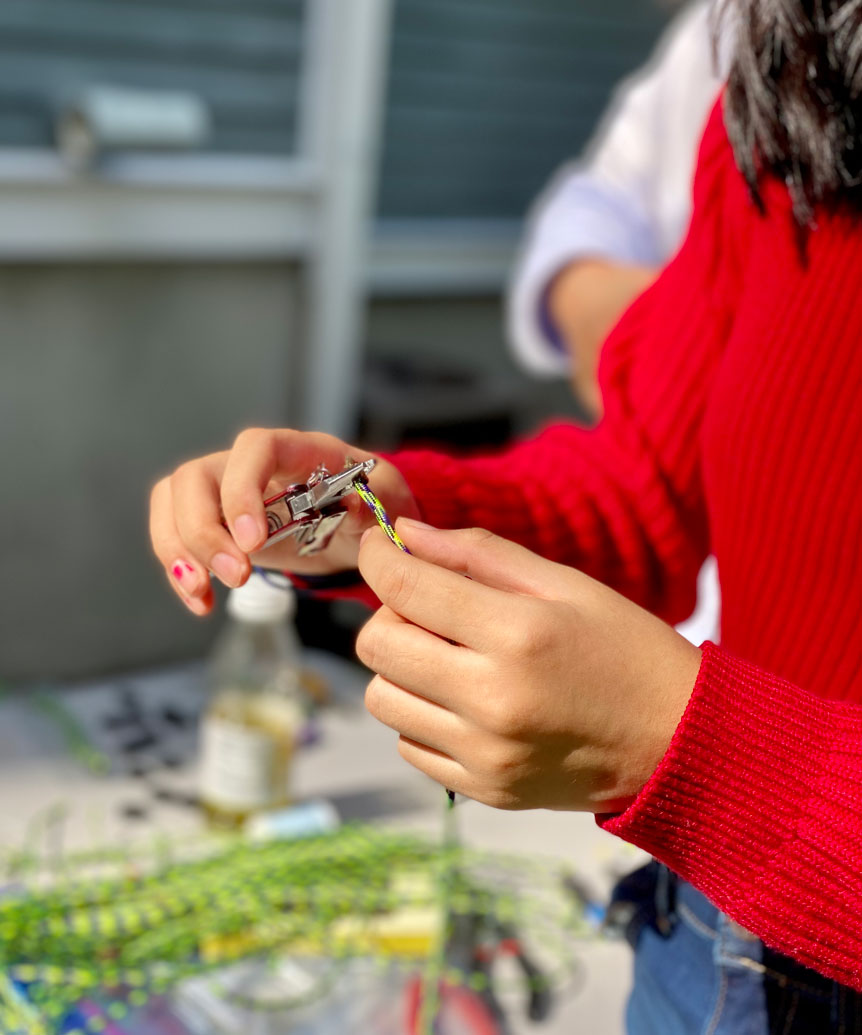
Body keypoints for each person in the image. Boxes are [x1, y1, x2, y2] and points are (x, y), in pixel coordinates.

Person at [150, 0, 862, 1028]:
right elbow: (646, 496)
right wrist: (375, 512)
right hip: (707, 946)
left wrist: (679, 743)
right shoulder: (790, 95)